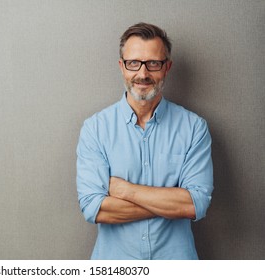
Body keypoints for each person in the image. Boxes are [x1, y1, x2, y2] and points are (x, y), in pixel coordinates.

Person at [76, 22, 213, 259]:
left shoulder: (194, 128)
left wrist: (123, 190)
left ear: (167, 67)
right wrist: (169, 203)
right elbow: (94, 208)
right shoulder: (95, 129)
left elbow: (195, 204)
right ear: (122, 66)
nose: (142, 74)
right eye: (133, 63)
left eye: (153, 63)